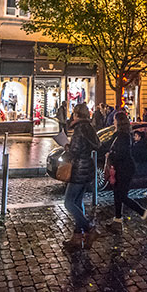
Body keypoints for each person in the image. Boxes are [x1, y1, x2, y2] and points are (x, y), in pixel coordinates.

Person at [107, 111, 147, 231]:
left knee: (122, 196)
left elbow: (122, 154)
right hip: (120, 168)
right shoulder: (118, 135)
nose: (113, 122)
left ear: (118, 122)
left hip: (125, 169)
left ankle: (146, 214)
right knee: (117, 195)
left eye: (114, 120)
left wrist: (111, 155)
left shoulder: (123, 136)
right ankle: (117, 220)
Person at [62, 103, 101, 250]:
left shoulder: (79, 129)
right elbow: (97, 145)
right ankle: (77, 237)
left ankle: (90, 228)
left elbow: (74, 151)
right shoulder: (90, 128)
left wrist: (66, 146)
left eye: (74, 113)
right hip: (88, 169)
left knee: (69, 202)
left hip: (79, 169)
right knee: (78, 202)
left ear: (77, 114)